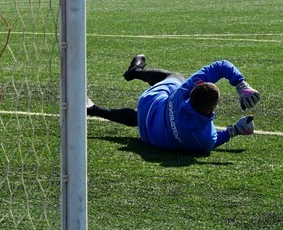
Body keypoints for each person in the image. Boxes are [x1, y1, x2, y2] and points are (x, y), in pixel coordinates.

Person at [85, 55, 258, 156]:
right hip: (150, 136)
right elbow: (213, 142)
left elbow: (221, 65)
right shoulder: (202, 138)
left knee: (176, 78)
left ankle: (136, 72)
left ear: (193, 91)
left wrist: (242, 85)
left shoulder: (182, 93)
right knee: (145, 115)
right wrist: (236, 130)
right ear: (212, 109)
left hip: (151, 103)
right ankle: (94, 109)